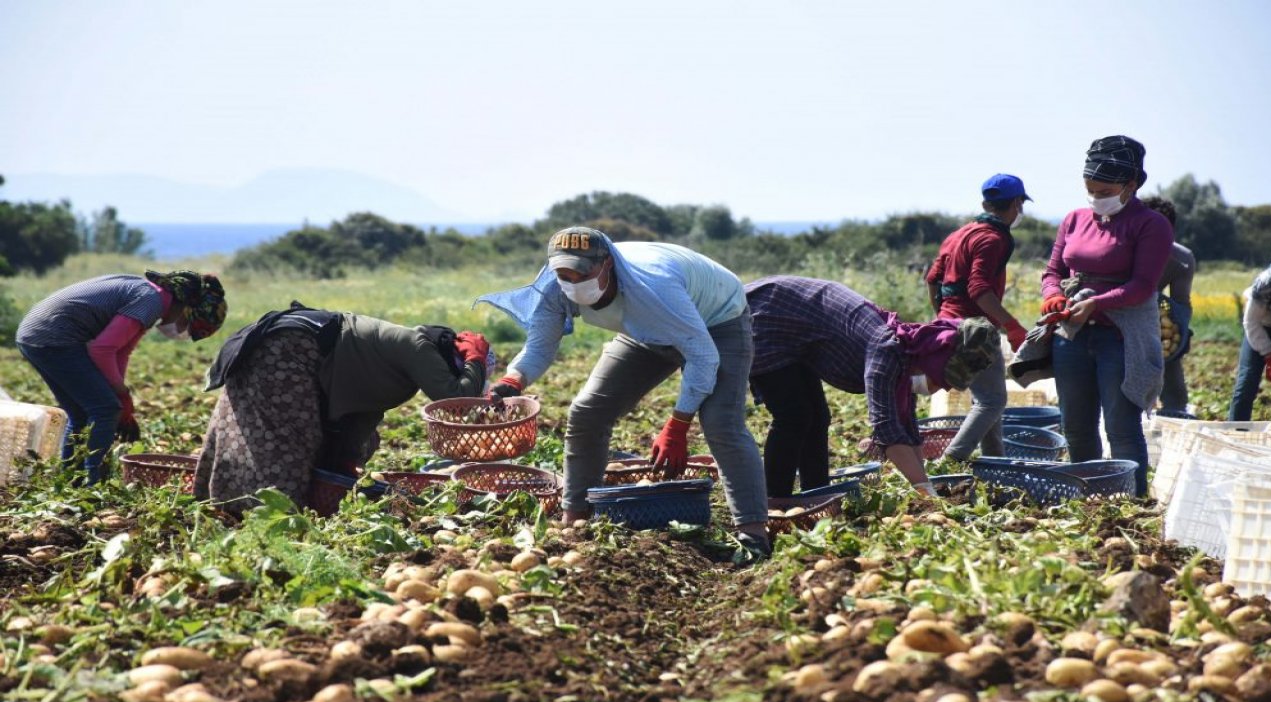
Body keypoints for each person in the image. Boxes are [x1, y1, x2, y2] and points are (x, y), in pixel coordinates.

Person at [477, 227, 772, 559]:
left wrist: (677, 425)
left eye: (582, 271)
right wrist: (512, 381)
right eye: (564, 272)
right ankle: (576, 517)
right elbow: (540, 346)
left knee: (721, 423)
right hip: (643, 330)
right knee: (588, 411)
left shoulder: (654, 287)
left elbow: (704, 358)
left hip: (717, 324)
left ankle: (753, 534)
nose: (573, 280)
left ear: (607, 264)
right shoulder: (555, 288)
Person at [194, 304, 491, 515]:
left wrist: (342, 466)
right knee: (287, 443)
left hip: (297, 352)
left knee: (353, 443)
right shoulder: (416, 344)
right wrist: (476, 358)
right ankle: (259, 512)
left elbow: (363, 413)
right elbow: (455, 397)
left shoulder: (397, 369)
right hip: (286, 350)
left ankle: (245, 505)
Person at [747, 276, 1001, 497]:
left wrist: (926, 483)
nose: (937, 389)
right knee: (795, 415)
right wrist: (924, 491)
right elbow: (886, 428)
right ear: (935, 361)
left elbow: (906, 427)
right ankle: (774, 500)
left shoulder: (908, 352)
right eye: (940, 379)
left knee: (817, 416)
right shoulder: (888, 351)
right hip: (771, 316)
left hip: (798, 325)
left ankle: (816, 493)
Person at [1040, 135, 1173, 494]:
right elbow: (1052, 271)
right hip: (1073, 337)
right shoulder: (1074, 219)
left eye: (1105, 191)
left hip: (1120, 338)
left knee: (1121, 427)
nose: (1097, 198)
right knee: (1077, 427)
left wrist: (1095, 304)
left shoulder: (1151, 225)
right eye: (1091, 190)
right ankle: (1087, 499)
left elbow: (1143, 286)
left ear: (1131, 185)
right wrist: (1052, 295)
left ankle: (1130, 502)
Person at [15, 271, 227, 484]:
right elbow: (102, 348)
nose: (181, 332)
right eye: (186, 327)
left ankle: (72, 479)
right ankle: (95, 480)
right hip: (54, 336)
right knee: (106, 409)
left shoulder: (152, 297)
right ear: (186, 310)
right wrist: (119, 396)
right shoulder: (150, 302)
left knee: (82, 412)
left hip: (35, 333)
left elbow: (120, 351)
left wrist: (121, 399)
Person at [925, 173, 1032, 460]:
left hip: (950, 323)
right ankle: (950, 460)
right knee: (992, 401)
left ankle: (995, 465)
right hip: (976, 329)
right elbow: (979, 289)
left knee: (985, 400)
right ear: (1016, 204)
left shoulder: (959, 234)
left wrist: (944, 317)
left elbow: (932, 279)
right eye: (1020, 204)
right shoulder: (993, 238)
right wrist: (1012, 326)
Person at [1146, 197, 1197, 417]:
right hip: (1119, 311)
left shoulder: (1182, 258)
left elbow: (1180, 303)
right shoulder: (1123, 248)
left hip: (1155, 311)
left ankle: (1174, 413)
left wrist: (1181, 334)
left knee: (1173, 380)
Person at [1227, 263, 1271, 421]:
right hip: (1261, 324)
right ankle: (1237, 432)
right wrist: (1269, 357)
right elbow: (1251, 322)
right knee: (1247, 381)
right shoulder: (1267, 283)